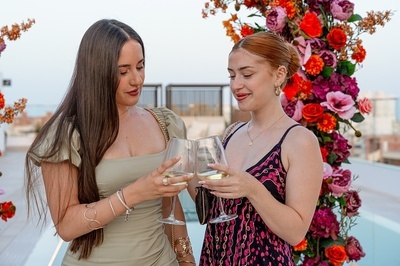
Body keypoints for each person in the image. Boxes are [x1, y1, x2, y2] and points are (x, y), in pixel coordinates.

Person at [24, 19, 196, 266]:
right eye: (123, 71)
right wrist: (134, 193)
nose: (136, 80)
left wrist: (186, 260)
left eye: (140, 66)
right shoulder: (67, 135)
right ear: (97, 72)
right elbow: (65, 226)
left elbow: (171, 204)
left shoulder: (164, 123)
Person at [196, 31, 323, 265]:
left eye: (247, 74)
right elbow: (212, 212)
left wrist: (252, 188)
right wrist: (187, 180)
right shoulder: (231, 132)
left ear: (279, 74)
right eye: (232, 76)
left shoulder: (299, 141)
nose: (236, 85)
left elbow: (295, 232)